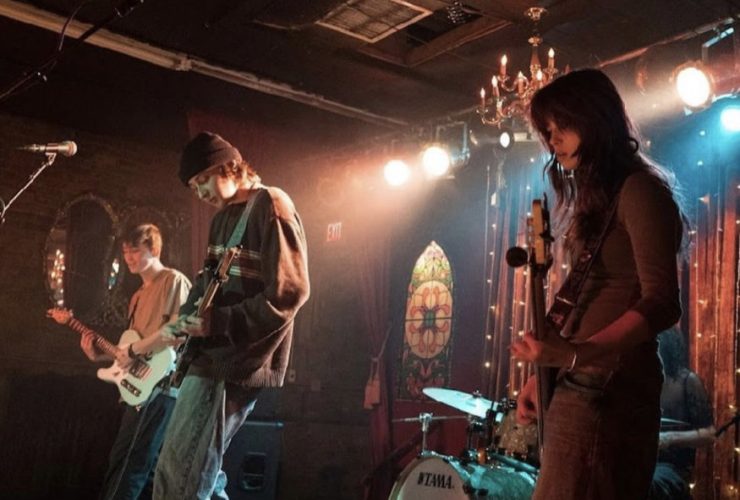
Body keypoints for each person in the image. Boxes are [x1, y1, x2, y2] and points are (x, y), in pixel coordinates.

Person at [511, 68, 685, 499]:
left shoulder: (641, 190)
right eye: (548, 131)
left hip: (608, 384)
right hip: (583, 379)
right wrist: (547, 374)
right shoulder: (606, 198)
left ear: (594, 119)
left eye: (561, 126)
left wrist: (574, 354)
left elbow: (662, 302)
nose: (552, 141)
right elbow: (587, 292)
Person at [153, 131, 310, 499]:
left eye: (202, 181)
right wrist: (185, 320)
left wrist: (220, 322)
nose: (199, 193)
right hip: (210, 355)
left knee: (179, 476)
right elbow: (207, 281)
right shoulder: (223, 218)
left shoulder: (271, 204)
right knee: (194, 474)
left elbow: (290, 291)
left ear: (227, 167)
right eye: (193, 188)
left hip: (235, 359)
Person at [47, 223, 191, 499]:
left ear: (154, 249)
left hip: (161, 387)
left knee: (127, 464)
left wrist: (134, 349)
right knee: (145, 470)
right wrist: (99, 355)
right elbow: (128, 352)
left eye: (135, 250)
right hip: (140, 389)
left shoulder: (173, 281)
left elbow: (180, 330)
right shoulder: (136, 297)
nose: (129, 258)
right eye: (125, 251)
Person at [650, 326, 715, 500]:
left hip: (671, 467)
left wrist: (669, 438)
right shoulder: (640, 385)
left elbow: (709, 434)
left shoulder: (687, 382)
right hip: (640, 461)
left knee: (649, 484)